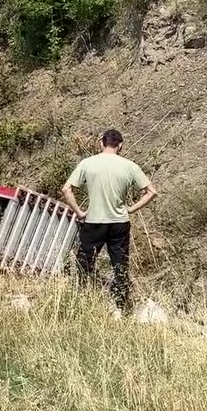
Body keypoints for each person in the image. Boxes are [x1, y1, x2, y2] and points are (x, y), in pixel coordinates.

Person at [61, 129, 157, 315]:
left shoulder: (87, 163)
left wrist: (80, 212)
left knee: (84, 263)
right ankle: (121, 307)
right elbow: (152, 191)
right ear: (120, 145)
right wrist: (131, 208)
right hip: (119, 223)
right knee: (120, 265)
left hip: (94, 221)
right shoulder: (130, 166)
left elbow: (66, 189)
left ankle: (77, 303)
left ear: (101, 143)